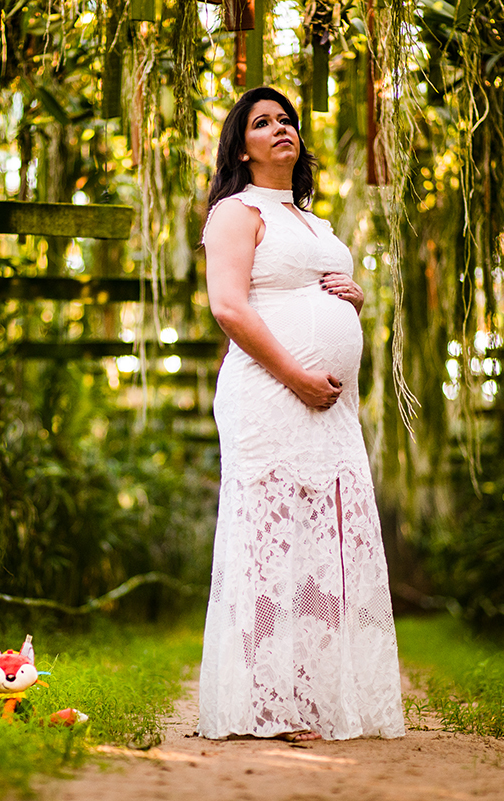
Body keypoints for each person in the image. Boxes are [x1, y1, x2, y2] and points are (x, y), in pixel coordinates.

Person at [197, 86, 405, 742]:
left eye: (286, 119)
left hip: (328, 405)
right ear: (242, 147)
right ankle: (267, 702)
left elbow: (316, 302)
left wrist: (353, 303)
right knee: (271, 538)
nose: (280, 127)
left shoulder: (316, 223)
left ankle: (313, 696)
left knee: (325, 541)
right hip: (269, 394)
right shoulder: (236, 212)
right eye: (262, 122)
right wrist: (295, 375)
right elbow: (230, 307)